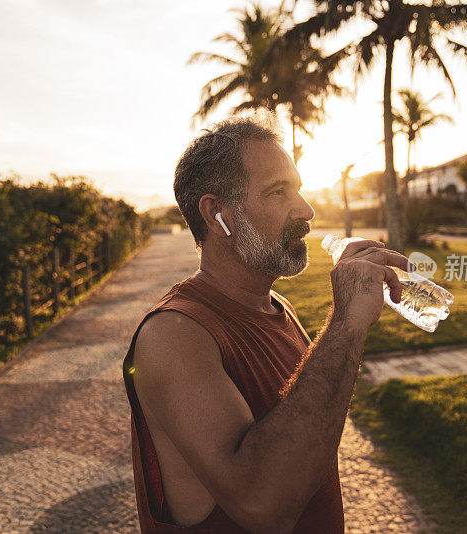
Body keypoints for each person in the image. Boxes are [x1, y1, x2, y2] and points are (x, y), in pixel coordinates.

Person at [122, 109, 411, 533]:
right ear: (218, 215)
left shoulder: (277, 307)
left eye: (299, 190)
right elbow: (264, 505)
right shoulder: (174, 334)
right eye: (278, 193)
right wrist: (346, 325)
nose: (307, 210)